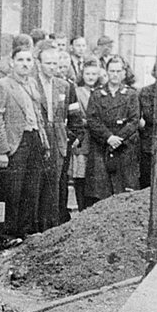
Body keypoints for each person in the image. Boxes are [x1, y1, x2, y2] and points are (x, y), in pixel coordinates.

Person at [0, 46, 50, 246]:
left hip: (34, 140)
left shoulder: (32, 84)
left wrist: (44, 142)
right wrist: (2, 150)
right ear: (12, 62)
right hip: (15, 142)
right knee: (11, 190)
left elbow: (39, 116)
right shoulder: (1, 85)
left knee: (31, 188)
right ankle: (5, 235)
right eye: (21, 60)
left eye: (29, 60)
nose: (25, 64)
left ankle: (25, 230)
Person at [33, 44, 84, 229]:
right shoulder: (31, 84)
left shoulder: (65, 86)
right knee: (37, 183)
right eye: (48, 63)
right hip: (38, 140)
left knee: (56, 186)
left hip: (59, 142)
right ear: (39, 63)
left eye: (55, 63)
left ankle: (52, 225)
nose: (52, 67)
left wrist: (73, 137)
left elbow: (75, 116)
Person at [85, 55, 140, 207]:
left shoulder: (131, 94)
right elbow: (92, 119)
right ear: (107, 72)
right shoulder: (97, 94)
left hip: (125, 148)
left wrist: (119, 138)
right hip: (102, 147)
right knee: (101, 192)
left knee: (124, 192)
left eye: (118, 71)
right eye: (111, 71)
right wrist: (109, 137)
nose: (115, 74)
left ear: (124, 73)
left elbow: (134, 120)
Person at [71, 58, 101, 211]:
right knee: (80, 173)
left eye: (94, 74)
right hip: (84, 137)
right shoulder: (77, 91)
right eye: (87, 73)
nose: (90, 77)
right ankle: (81, 206)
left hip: (98, 139)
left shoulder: (101, 91)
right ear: (82, 75)